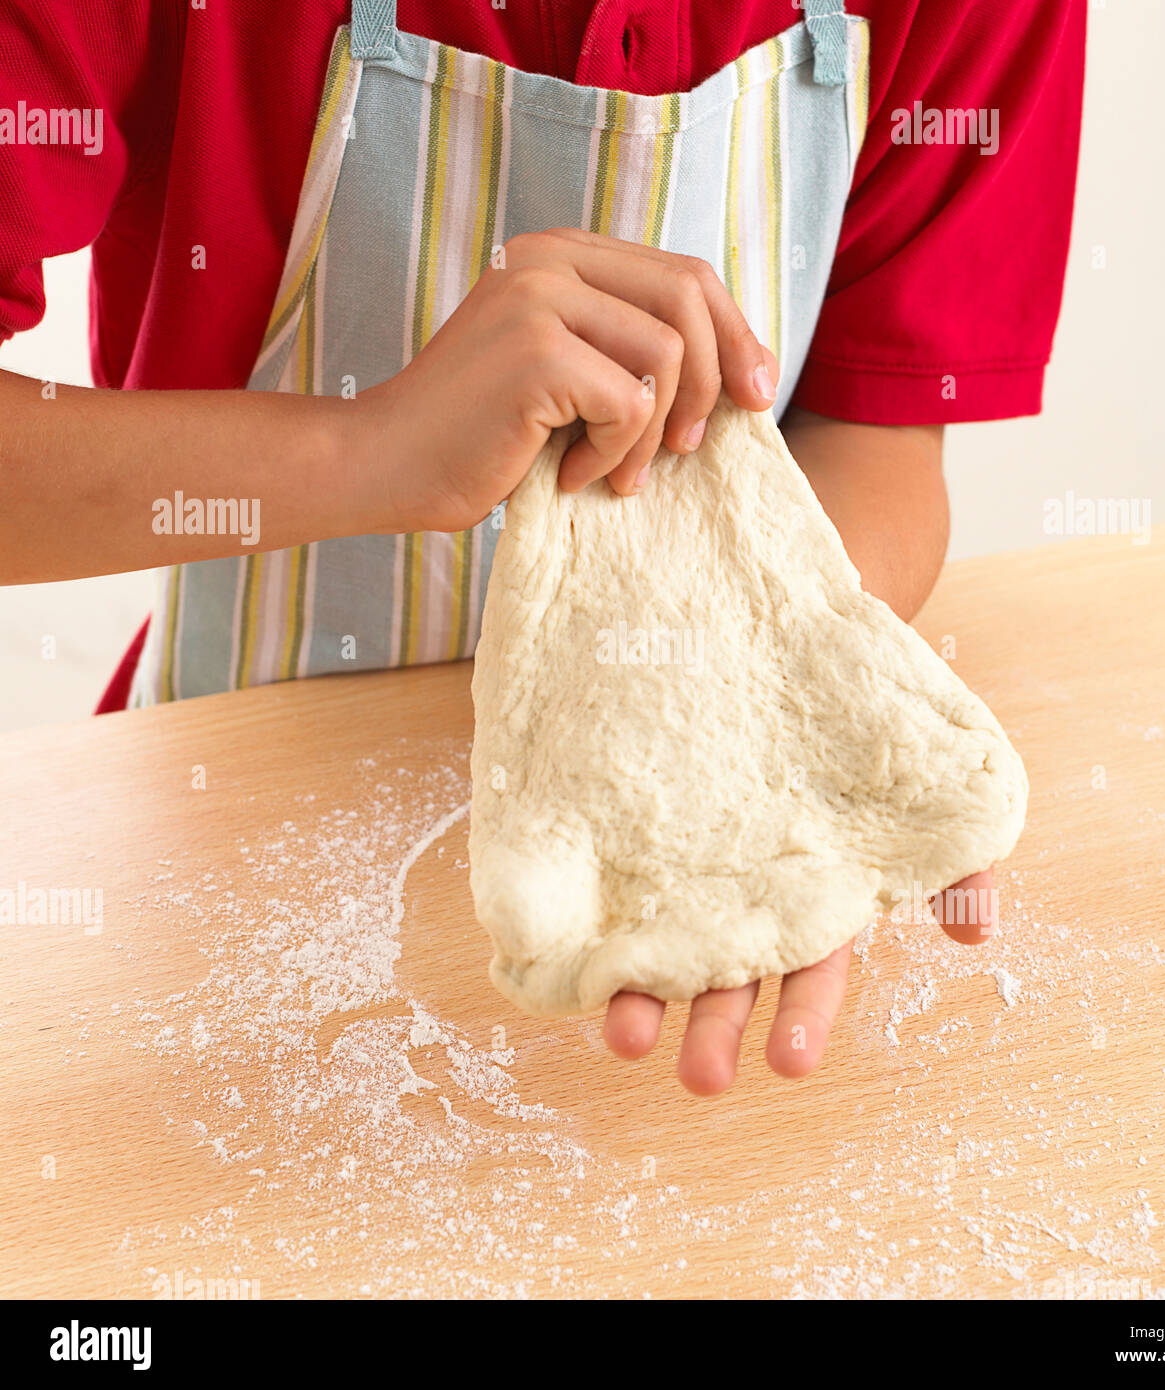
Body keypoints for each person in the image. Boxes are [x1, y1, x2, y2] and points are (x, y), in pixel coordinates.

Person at [0, 0, 1085, 1093]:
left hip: (651, 976)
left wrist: (761, 743)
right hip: (231, 874)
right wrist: (367, 449)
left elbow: (879, 430)